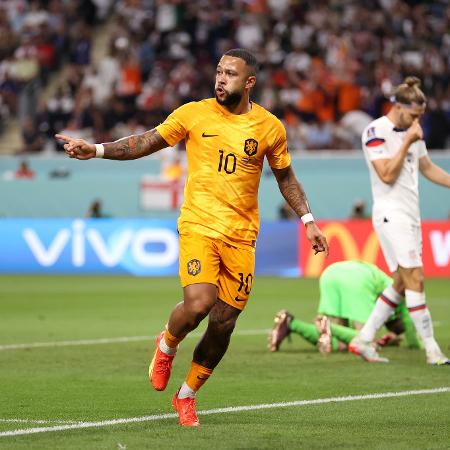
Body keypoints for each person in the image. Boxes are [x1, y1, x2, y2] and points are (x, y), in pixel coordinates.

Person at [55, 48, 329, 427]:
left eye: (230, 74)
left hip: (242, 236)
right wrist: (97, 149)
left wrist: (308, 220)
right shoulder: (193, 113)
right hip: (199, 225)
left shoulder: (270, 128)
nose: (220, 79)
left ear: (249, 82)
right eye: (218, 71)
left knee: (223, 323)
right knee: (200, 303)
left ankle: (186, 395)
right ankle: (167, 343)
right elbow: (147, 141)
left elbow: (285, 177)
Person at [349, 77, 450, 365]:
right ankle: (432, 350)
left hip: (410, 215)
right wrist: (406, 141)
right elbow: (386, 175)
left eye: (421, 116)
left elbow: (428, 168)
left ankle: (363, 339)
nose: (418, 122)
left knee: (402, 283)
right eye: (414, 115)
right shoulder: (375, 131)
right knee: (416, 277)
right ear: (398, 106)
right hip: (390, 214)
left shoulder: (412, 132)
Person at [268, 261, 420, 354]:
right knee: (365, 341)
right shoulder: (401, 297)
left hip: (331, 273)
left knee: (339, 344)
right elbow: (410, 330)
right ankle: (328, 326)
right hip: (358, 280)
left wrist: (390, 338)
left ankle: (291, 323)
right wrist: (418, 346)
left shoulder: (385, 284)